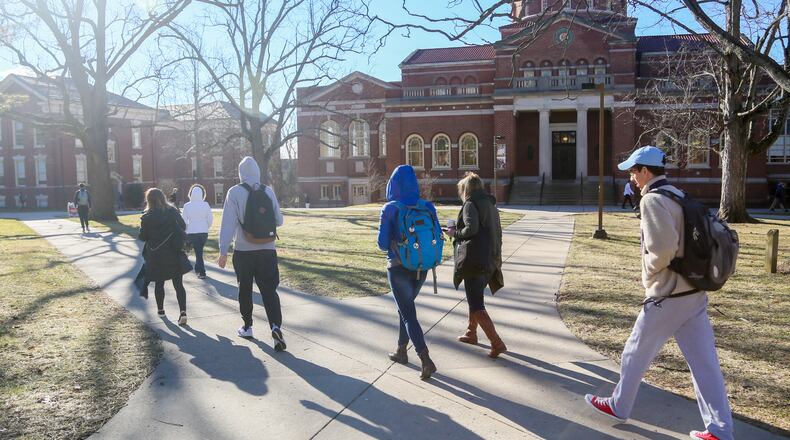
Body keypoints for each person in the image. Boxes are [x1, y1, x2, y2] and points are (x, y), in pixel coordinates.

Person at [585, 146, 733, 440]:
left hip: (667, 295)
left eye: (633, 170)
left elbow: (663, 248)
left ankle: (618, 405)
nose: (631, 177)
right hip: (694, 292)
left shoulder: (652, 199)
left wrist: (650, 271)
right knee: (705, 366)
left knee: (633, 353)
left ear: (645, 171)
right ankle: (720, 430)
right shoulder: (678, 194)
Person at [377, 165, 439, 380]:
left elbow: (382, 244)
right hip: (422, 266)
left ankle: (425, 359)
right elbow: (437, 235)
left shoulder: (390, 208)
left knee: (408, 313)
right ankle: (401, 351)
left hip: (398, 266)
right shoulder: (427, 206)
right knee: (405, 309)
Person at [217, 157, 286, 351]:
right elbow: (279, 221)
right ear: (257, 172)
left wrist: (223, 251)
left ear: (240, 173)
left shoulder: (234, 192)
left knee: (245, 289)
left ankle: (247, 326)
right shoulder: (268, 191)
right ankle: (275, 326)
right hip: (268, 250)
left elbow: (227, 225)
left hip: (244, 251)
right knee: (269, 291)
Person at [447, 172, 506, 358]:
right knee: (475, 297)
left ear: (466, 189)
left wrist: (454, 233)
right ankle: (471, 333)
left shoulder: (470, 204)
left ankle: (497, 343)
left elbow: (470, 229)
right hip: (490, 260)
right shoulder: (490, 204)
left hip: (475, 260)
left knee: (476, 303)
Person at [139, 188, 190, 326]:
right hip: (174, 251)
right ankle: (183, 312)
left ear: (148, 200)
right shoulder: (172, 211)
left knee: (159, 283)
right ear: (163, 197)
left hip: (156, 255)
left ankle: (161, 311)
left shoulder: (147, 216)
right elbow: (183, 226)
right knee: (178, 284)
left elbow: (142, 237)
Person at [182, 184, 213, 279]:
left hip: (191, 232)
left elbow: (184, 221)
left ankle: (202, 272)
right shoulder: (206, 205)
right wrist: (205, 227)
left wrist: (186, 229)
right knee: (198, 251)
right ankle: (198, 269)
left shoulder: (187, 206)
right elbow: (210, 219)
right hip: (203, 233)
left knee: (197, 252)